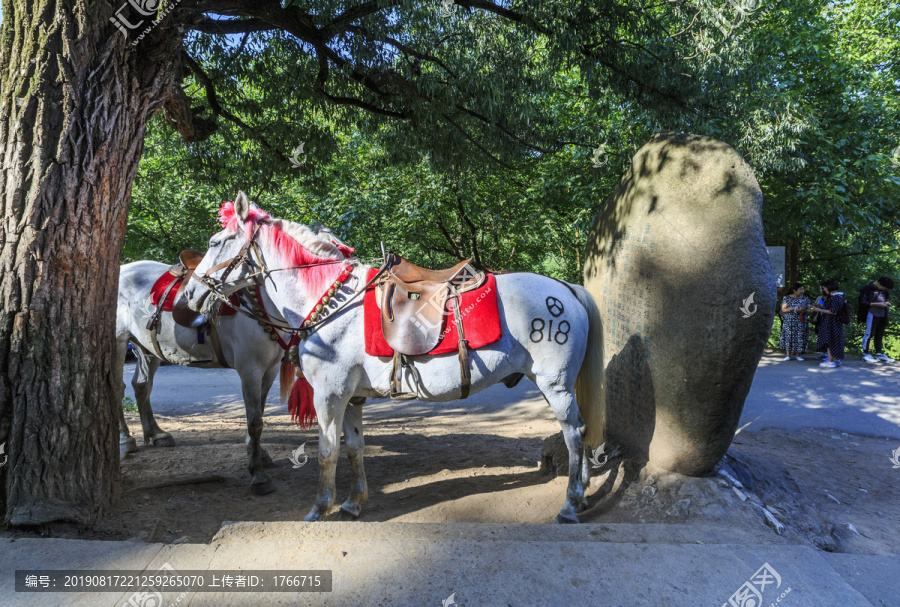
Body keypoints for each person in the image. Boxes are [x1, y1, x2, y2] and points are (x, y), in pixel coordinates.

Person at [859, 276, 894, 363]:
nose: (884, 289)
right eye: (883, 287)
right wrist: (878, 304)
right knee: (869, 333)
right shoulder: (867, 289)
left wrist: (886, 303)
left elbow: (883, 299)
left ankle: (879, 353)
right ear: (878, 283)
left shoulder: (884, 291)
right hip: (871, 313)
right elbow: (863, 302)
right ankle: (865, 353)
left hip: (882, 314)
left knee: (879, 334)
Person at [811, 279, 845, 368]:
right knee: (835, 341)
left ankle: (830, 362)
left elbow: (833, 311)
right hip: (832, 323)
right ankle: (836, 360)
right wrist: (820, 306)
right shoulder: (835, 297)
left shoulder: (835, 297)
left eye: (823, 288)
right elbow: (827, 306)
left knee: (830, 342)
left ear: (828, 287)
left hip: (831, 323)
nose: (823, 290)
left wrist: (819, 310)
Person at [778, 282, 810, 360]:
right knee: (789, 336)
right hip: (790, 320)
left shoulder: (805, 298)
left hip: (801, 320)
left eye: (803, 289)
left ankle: (798, 355)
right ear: (795, 290)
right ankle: (788, 355)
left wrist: (804, 310)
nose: (802, 291)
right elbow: (783, 309)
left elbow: (809, 310)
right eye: (800, 289)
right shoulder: (787, 298)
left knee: (800, 336)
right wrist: (794, 308)